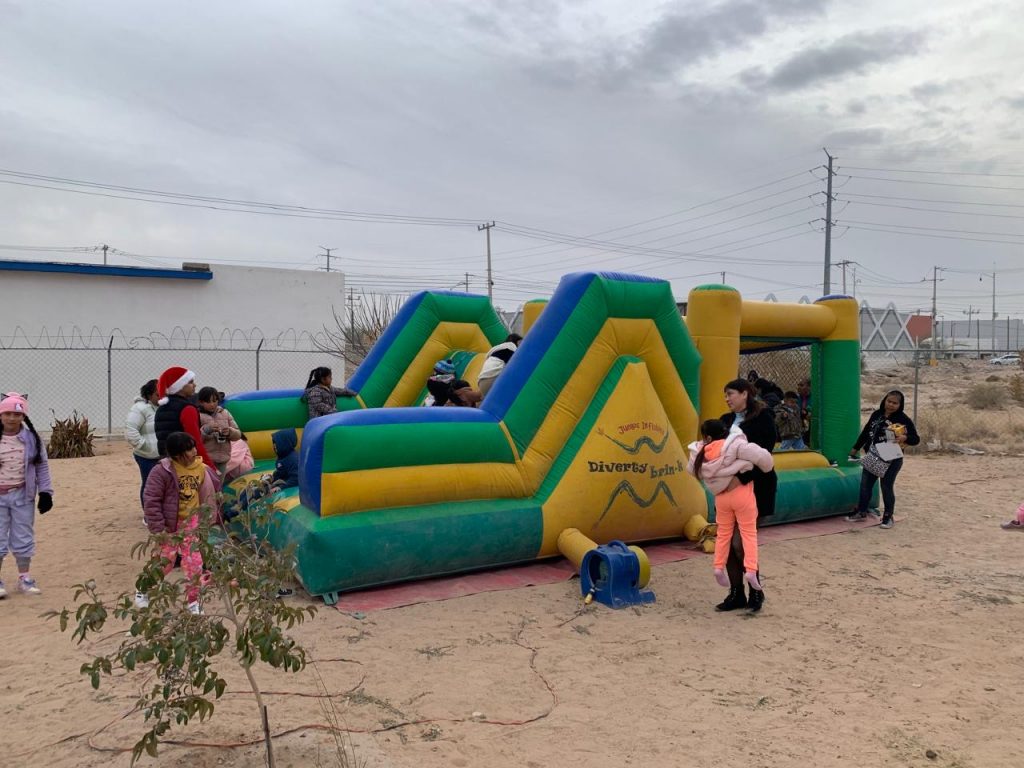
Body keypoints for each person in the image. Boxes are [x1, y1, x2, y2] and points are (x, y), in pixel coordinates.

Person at [688, 419, 774, 593]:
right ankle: (751, 571)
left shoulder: (700, 452)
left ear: (708, 437)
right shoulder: (735, 445)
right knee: (748, 534)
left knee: (723, 535)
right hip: (741, 494)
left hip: (721, 497)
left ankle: (718, 568)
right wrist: (745, 465)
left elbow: (691, 469)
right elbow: (765, 460)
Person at [140, 431, 221, 614]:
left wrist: (208, 518)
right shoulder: (162, 471)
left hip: (191, 523)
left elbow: (208, 493)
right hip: (170, 525)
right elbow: (151, 500)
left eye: (194, 447)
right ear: (178, 455)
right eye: (189, 449)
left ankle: (193, 601)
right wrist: (158, 528)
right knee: (165, 563)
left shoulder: (201, 468)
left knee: (194, 563)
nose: (194, 452)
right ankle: (143, 588)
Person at [718, 378, 778, 613]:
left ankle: (756, 591)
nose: (727, 399)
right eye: (725, 395)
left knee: (740, 543)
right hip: (728, 491)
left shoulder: (764, 418)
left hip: (757, 487)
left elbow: (764, 456)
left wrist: (741, 478)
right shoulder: (725, 421)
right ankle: (736, 593)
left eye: (730, 394)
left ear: (745, 394)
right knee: (726, 544)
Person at [0, 394, 53, 598]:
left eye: (17, 414)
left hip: (23, 496)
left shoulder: (32, 439)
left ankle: (24, 578)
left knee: (23, 537)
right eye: (7, 413)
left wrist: (46, 492)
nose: (12, 418)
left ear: (23, 416)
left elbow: (42, 466)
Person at [846, 390, 920, 529]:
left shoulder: (903, 419)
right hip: (873, 456)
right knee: (865, 484)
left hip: (891, 459)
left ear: (900, 405)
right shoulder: (877, 415)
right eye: (889, 401)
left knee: (886, 486)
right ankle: (861, 512)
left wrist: (905, 437)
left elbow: (916, 439)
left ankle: (888, 517)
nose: (891, 405)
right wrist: (855, 448)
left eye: (895, 403)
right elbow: (866, 432)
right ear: (884, 400)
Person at [153, 366, 215, 469]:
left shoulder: (161, 408)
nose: (195, 385)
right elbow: (195, 441)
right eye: (190, 382)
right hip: (185, 464)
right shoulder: (187, 409)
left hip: (166, 463)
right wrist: (210, 467)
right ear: (180, 386)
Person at [125, 379, 160, 512]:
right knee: (149, 484)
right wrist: (144, 446)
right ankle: (148, 513)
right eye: (158, 394)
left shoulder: (162, 408)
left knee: (162, 485)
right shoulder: (139, 408)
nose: (161, 397)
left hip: (162, 454)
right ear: (149, 394)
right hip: (146, 456)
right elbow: (131, 430)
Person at [196, 386, 242, 478]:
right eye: (208, 402)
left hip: (223, 459)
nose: (212, 404)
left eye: (214, 401)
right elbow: (195, 439)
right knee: (208, 483)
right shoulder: (198, 415)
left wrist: (229, 432)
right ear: (201, 402)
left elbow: (238, 435)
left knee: (219, 484)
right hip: (205, 460)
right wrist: (206, 430)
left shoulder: (225, 413)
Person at [796, 377, 812, 446]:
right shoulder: (798, 398)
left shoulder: (814, 398)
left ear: (809, 387)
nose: (798, 387)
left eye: (801, 385)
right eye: (798, 385)